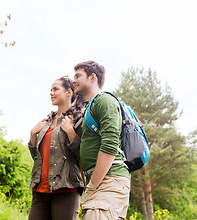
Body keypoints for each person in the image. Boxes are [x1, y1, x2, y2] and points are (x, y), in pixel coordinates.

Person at [73, 61, 131, 220]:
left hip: (109, 181)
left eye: (78, 75)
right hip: (100, 183)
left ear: (92, 78)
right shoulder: (89, 108)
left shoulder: (104, 100)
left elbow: (110, 144)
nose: (73, 80)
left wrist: (92, 186)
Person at [28, 76, 84, 220]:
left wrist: (71, 133)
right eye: (50, 90)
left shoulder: (77, 120)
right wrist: (33, 134)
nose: (51, 93)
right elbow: (37, 157)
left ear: (69, 92)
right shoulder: (46, 122)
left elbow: (82, 155)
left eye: (55, 89)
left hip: (66, 189)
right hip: (40, 189)